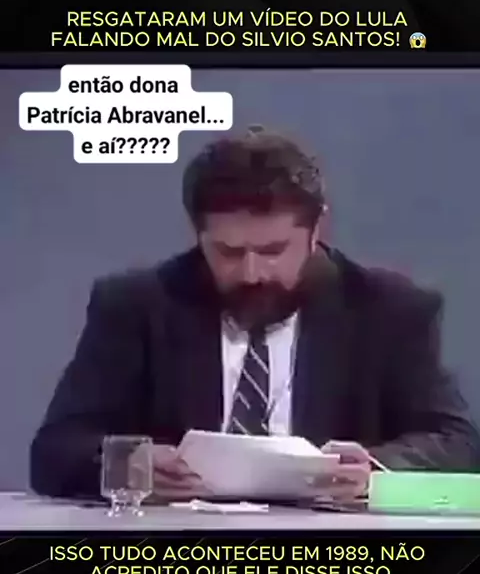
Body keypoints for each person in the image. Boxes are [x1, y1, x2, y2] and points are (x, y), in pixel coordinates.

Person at [30, 126, 480, 502]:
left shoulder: (389, 309)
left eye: (273, 250)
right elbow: (54, 451)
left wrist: (374, 469)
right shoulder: (137, 305)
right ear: (197, 234)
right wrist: (132, 464)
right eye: (228, 252)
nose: (252, 273)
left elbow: (457, 444)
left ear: (317, 228)